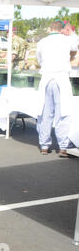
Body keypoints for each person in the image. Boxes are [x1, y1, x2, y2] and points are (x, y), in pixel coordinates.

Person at [36, 20, 78, 157]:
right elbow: (76, 46)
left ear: (50, 29)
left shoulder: (42, 42)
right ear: (62, 29)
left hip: (47, 78)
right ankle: (63, 147)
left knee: (45, 112)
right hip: (61, 78)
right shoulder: (67, 40)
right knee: (63, 113)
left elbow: (39, 59)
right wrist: (70, 32)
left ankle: (44, 145)